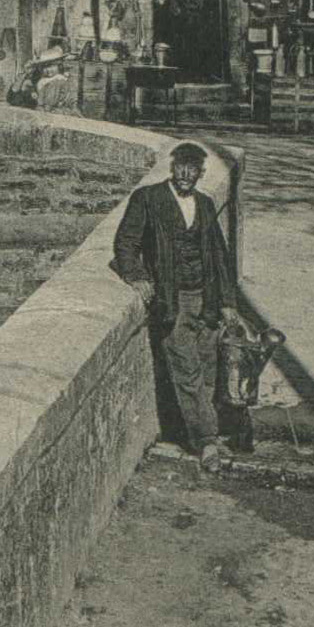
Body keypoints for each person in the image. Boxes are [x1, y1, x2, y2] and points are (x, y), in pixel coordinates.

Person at [112, 142, 243, 470]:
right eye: (181, 166)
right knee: (187, 371)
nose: (186, 174)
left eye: (193, 168)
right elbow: (125, 244)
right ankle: (207, 441)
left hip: (207, 298)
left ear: (201, 173)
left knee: (208, 366)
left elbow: (219, 256)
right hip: (174, 301)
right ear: (172, 168)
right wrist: (137, 276)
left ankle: (202, 425)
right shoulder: (149, 199)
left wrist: (227, 302)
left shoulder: (205, 202)